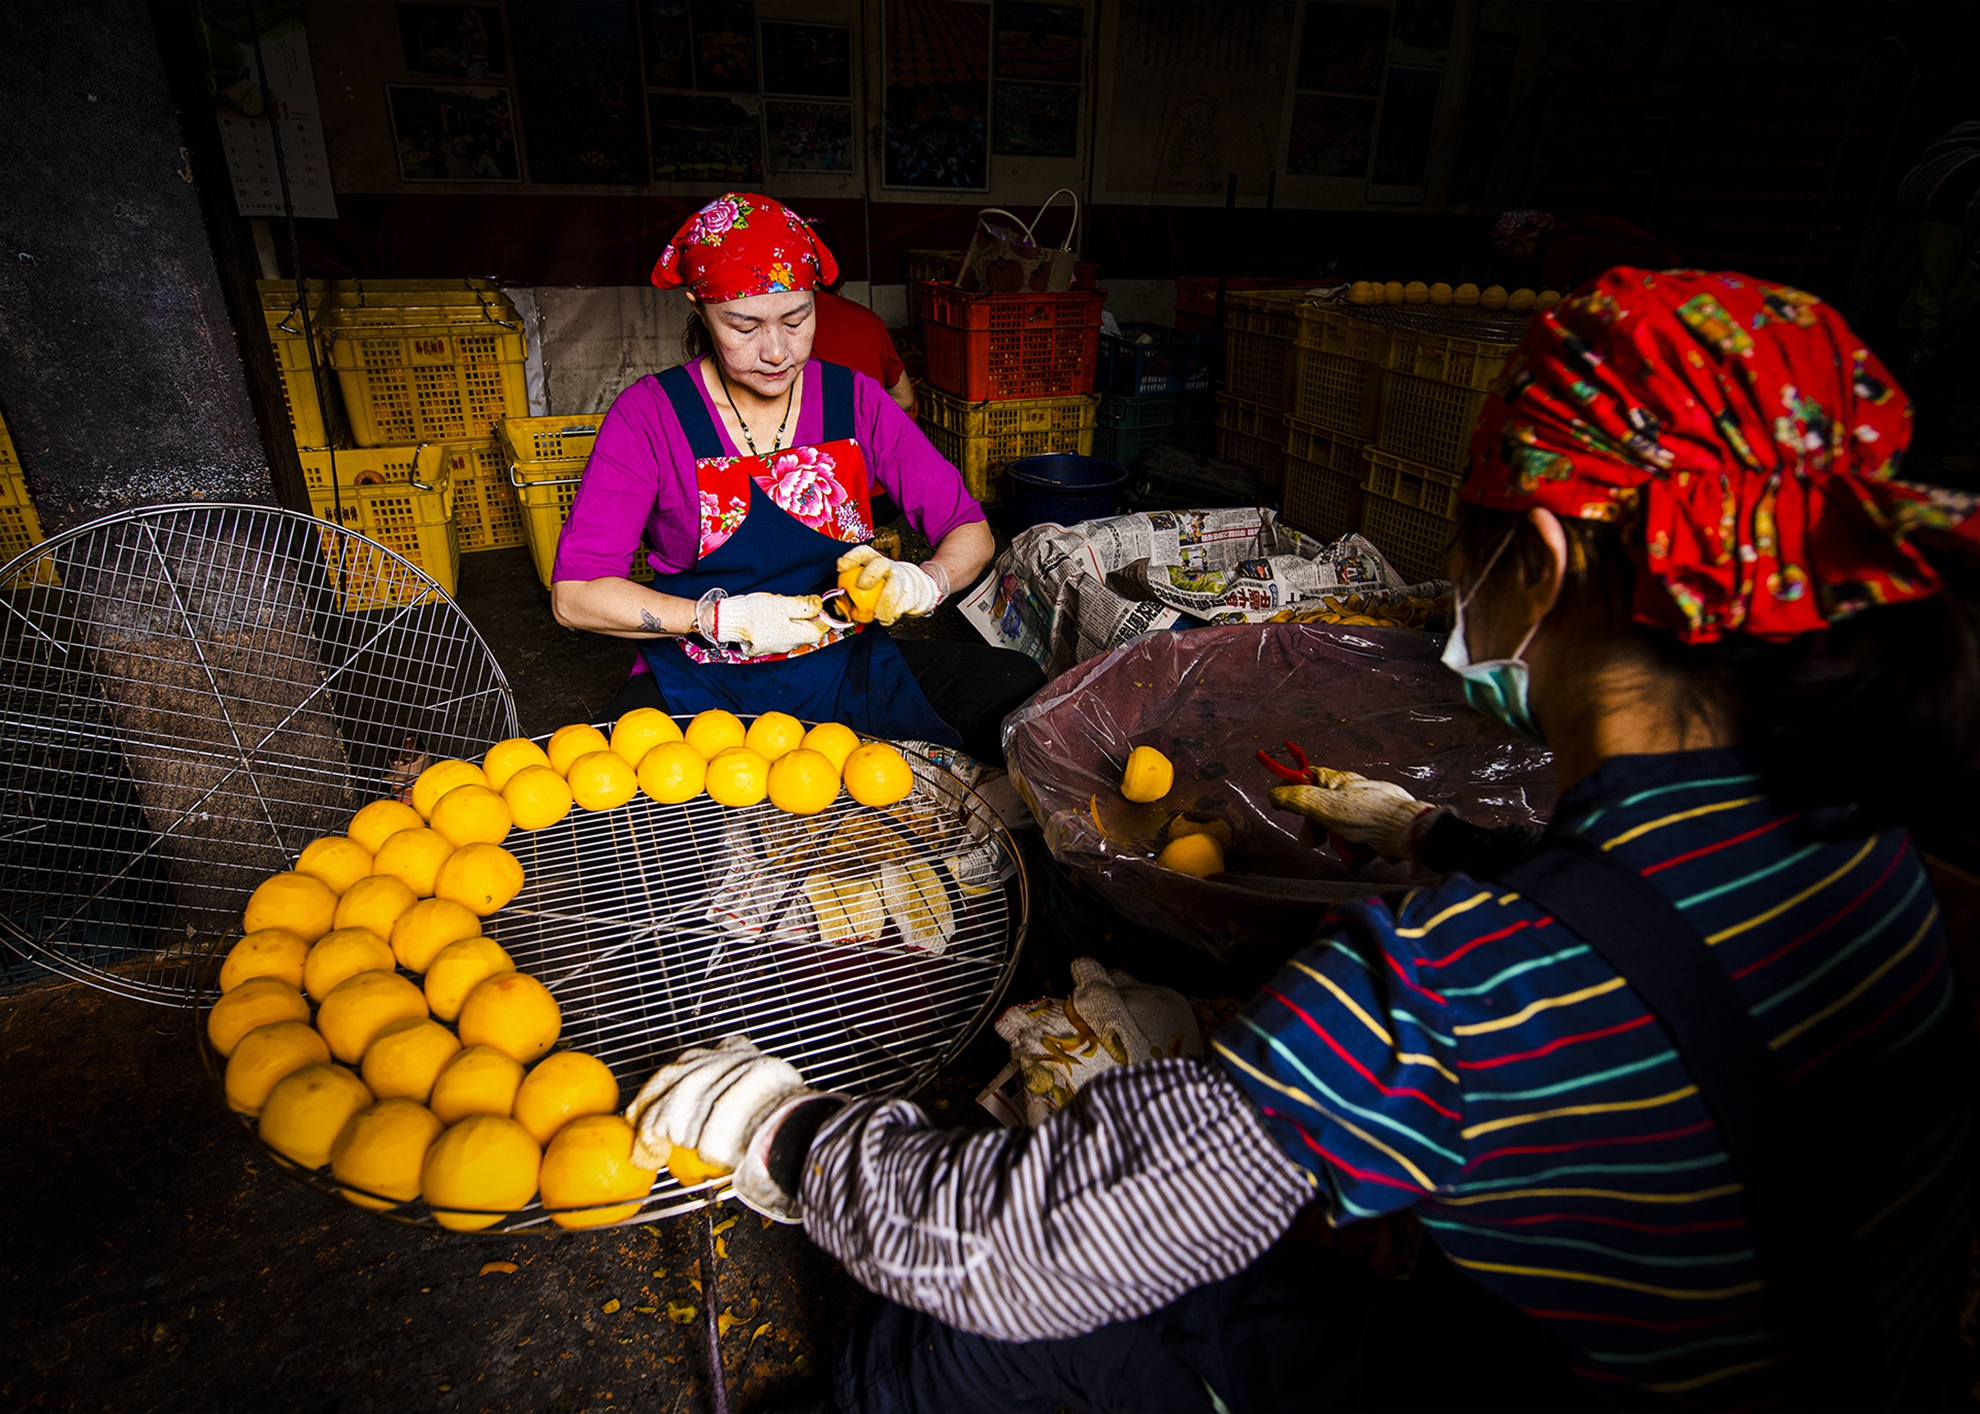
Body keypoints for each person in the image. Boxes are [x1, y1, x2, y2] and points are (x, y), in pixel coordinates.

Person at [629, 268, 1980, 1411]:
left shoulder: (1447, 988)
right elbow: (1655, 947)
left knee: (942, 1343)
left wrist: (790, 1132)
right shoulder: (1873, 847)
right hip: (1827, 1348)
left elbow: (1023, 1250)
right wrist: (1438, 830)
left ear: (1542, 564)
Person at [548, 192, 1043, 763]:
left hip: (844, 662)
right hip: (704, 678)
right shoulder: (650, 416)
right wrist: (716, 618)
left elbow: (970, 530)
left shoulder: (854, 398)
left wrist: (927, 580)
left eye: (797, 317)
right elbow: (576, 596)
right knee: (627, 788)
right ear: (699, 308)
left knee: (1015, 684)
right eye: (743, 325)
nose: (777, 351)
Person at [805, 218, 916, 419]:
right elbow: (905, 400)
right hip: (861, 444)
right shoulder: (870, 321)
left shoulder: (774, 324)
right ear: (841, 277)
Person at [1492, 208, 1679, 291]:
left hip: (1657, 276)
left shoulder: (1560, 248)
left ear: (1521, 242)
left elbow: (1550, 299)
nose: (1515, 263)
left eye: (1510, 255)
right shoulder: (1563, 237)